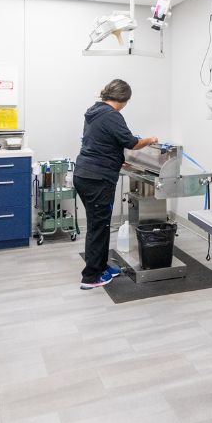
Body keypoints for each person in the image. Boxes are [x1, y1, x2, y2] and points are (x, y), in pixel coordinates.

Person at [74, 79, 159, 289]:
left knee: (100, 224)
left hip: (85, 174)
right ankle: (91, 277)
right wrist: (150, 140)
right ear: (122, 99)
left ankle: (101, 266)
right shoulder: (113, 115)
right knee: (98, 226)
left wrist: (114, 156)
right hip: (97, 178)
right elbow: (131, 143)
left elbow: (100, 142)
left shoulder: (94, 111)